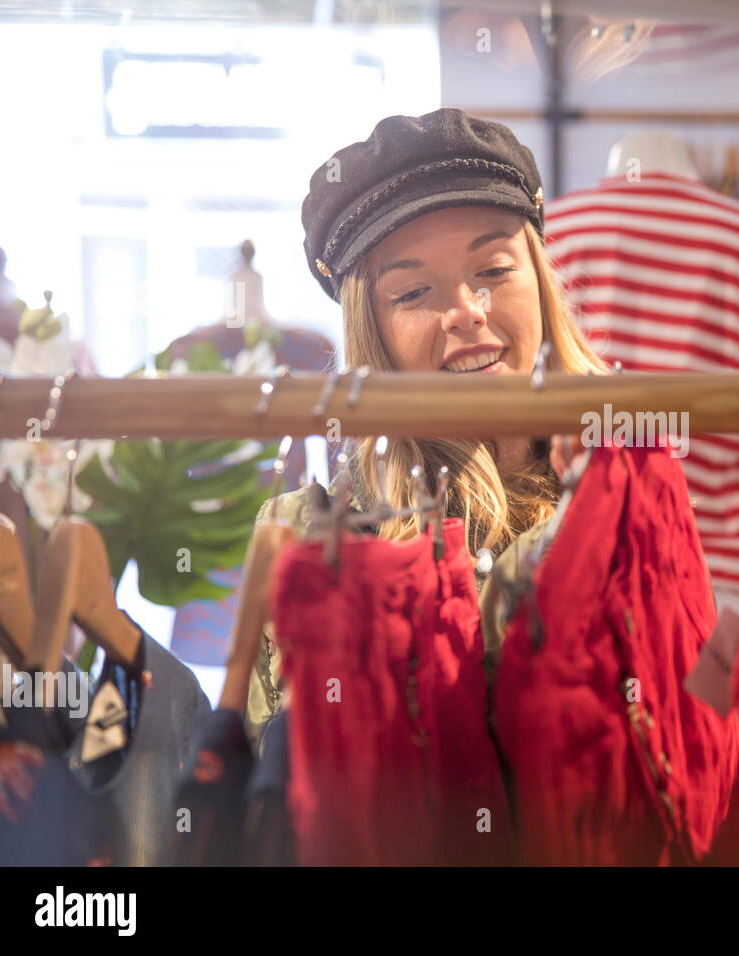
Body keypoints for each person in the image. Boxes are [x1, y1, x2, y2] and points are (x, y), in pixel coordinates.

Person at [244, 109, 608, 744]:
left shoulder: (629, 488)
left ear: (540, 283)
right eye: (412, 293)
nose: (466, 312)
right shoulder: (311, 540)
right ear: (372, 331)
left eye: (493, 271)